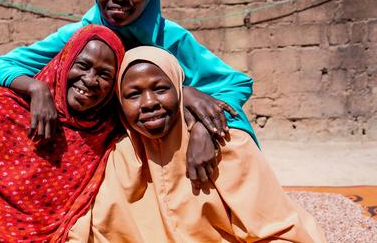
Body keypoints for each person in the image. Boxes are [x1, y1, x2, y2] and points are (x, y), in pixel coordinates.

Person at [0, 0, 255, 185]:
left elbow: (235, 84)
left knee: (230, 130)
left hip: (158, 134)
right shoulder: (79, 36)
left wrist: (202, 127)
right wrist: (37, 88)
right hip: (99, 144)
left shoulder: (170, 38)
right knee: (3, 96)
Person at [67, 46, 326, 242]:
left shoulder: (227, 145)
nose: (148, 103)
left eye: (160, 89)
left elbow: (280, 229)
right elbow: (92, 229)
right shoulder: (119, 159)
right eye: (134, 94)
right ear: (120, 106)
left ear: (180, 91)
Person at [0, 25, 126, 242]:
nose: (90, 79)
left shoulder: (106, 130)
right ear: (64, 62)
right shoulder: (8, 107)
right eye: (82, 65)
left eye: (105, 74)